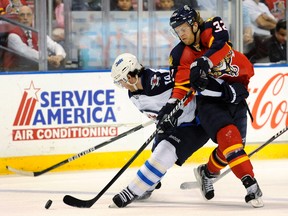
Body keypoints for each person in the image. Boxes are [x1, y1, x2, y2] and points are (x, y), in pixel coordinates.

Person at [159, 5, 263, 207]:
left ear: (195, 25)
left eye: (183, 29)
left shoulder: (212, 28)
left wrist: (203, 62)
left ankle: (206, 173)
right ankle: (250, 183)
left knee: (232, 148)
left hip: (234, 94)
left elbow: (222, 45)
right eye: (177, 31)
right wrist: (170, 108)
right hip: (209, 102)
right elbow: (181, 86)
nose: (181, 35)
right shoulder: (180, 54)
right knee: (229, 139)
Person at [110, 52, 210, 208]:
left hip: (194, 123)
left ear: (130, 76)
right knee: (157, 152)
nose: (121, 85)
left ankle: (132, 191)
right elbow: (158, 113)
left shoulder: (160, 80)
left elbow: (189, 85)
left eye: (121, 81)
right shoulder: (133, 95)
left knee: (164, 152)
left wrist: (175, 112)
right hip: (171, 126)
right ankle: (148, 186)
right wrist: (162, 121)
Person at [3, 5, 66, 71]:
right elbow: (25, 51)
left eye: (28, 15)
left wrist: (59, 57)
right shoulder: (13, 35)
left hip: (35, 69)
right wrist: (48, 58)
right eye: (22, 15)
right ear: (18, 18)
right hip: (16, 72)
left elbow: (54, 45)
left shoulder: (37, 33)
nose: (25, 18)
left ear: (32, 17)